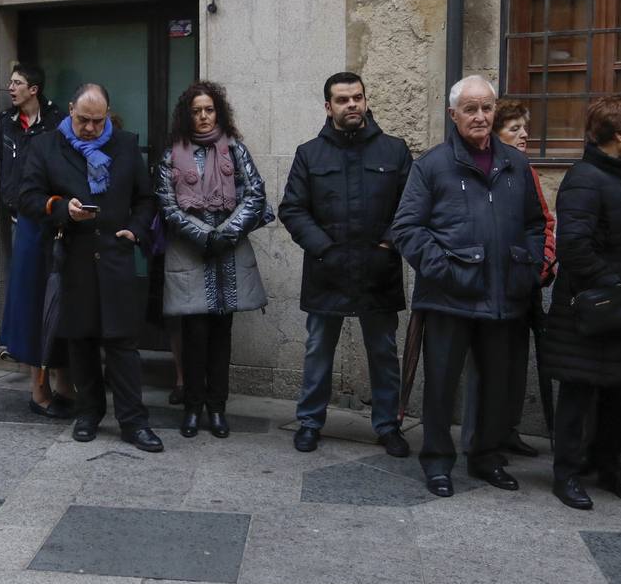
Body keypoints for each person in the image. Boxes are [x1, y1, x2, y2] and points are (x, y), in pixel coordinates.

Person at [391, 75, 545, 497]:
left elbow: (535, 224)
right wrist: (447, 270)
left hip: (504, 295)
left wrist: (529, 266)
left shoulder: (516, 164)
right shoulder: (432, 165)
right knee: (441, 384)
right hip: (448, 299)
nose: (480, 116)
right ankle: (438, 462)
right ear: (453, 114)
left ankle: (485, 457)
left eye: (487, 108)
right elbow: (406, 228)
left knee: (496, 385)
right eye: (471, 109)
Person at [19, 82, 163, 453]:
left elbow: (146, 199)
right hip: (72, 255)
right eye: (84, 120)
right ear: (70, 110)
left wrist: (135, 229)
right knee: (80, 340)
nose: (91, 129)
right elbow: (28, 198)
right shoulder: (46, 146)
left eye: (99, 122)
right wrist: (63, 209)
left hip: (116, 255)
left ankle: (134, 421)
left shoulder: (126, 144)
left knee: (122, 344)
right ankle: (88, 414)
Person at [279, 72, 412, 455]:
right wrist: (324, 248)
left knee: (384, 352)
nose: (351, 104)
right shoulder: (309, 153)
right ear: (328, 107)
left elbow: (410, 206)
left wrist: (389, 242)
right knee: (318, 349)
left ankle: (388, 425)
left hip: (378, 270)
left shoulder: (394, 150)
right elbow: (292, 208)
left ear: (366, 101)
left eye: (357, 97)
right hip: (327, 271)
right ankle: (309, 422)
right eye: (342, 99)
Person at [540, 96, 621, 509]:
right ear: (619, 136)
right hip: (590, 308)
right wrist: (618, 288)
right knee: (578, 392)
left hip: (620, 308)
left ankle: (608, 467)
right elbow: (575, 248)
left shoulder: (620, 175)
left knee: (617, 391)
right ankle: (566, 474)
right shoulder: (585, 178)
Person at [156, 81, 270, 438]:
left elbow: (255, 194)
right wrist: (203, 235)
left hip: (229, 253)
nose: (203, 117)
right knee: (193, 334)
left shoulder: (236, 150)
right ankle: (192, 408)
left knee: (222, 334)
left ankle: (217, 409)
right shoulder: (171, 154)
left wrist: (225, 233)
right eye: (196, 111)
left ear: (217, 112)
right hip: (190, 253)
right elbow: (167, 205)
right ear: (186, 116)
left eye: (209, 110)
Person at [458, 99, 556, 460]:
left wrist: (540, 266)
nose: (524, 135)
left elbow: (543, 222)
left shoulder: (523, 169)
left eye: (524, 128)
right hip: (484, 285)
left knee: (516, 364)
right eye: (514, 129)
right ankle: (479, 440)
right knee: (484, 369)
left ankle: (506, 430)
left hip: (522, 283)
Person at [0, 64, 73, 416]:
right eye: (10, 82)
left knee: (58, 306)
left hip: (56, 219)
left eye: (17, 83)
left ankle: (64, 385)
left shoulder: (57, 120)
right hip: (26, 219)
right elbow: (5, 170)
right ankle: (38, 391)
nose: (10, 88)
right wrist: (13, 203)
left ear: (35, 89)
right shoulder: (5, 122)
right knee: (31, 304)